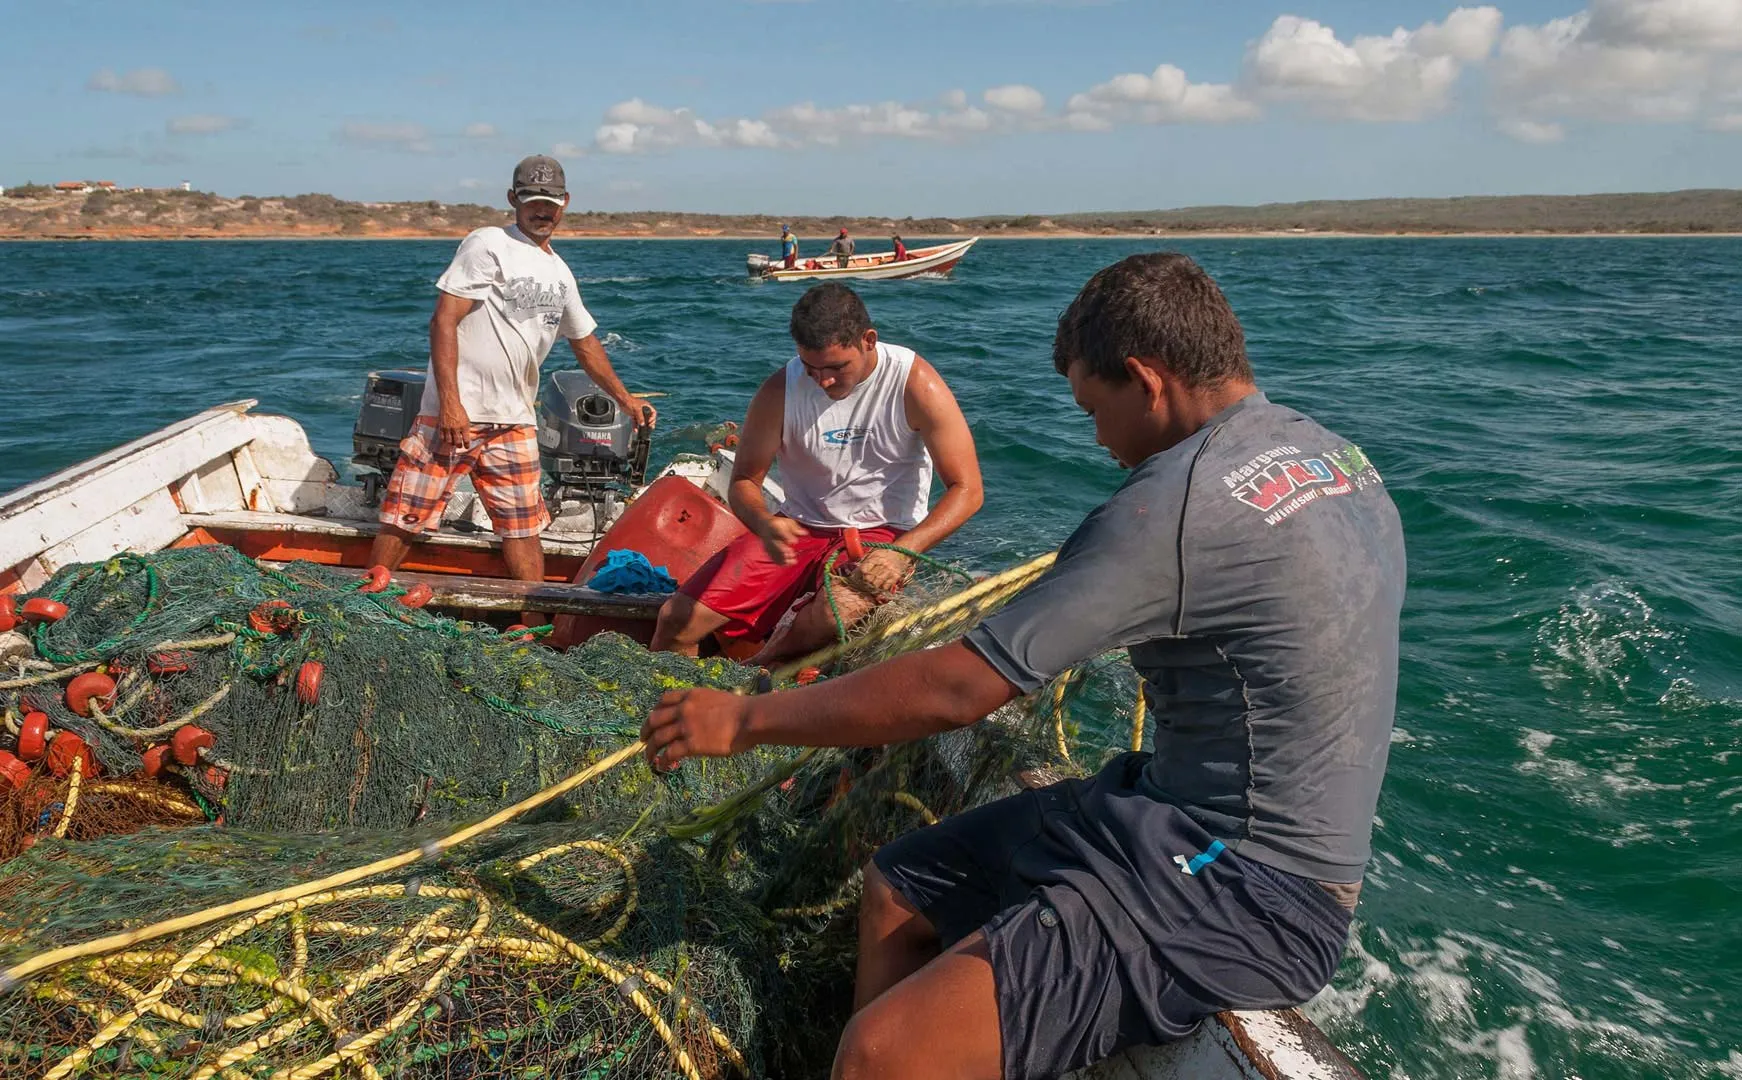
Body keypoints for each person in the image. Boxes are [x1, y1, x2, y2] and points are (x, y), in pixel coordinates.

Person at [642, 253, 1406, 1080]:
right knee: (899, 886)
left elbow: (961, 687)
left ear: (1146, 380)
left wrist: (744, 719)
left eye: (1093, 409)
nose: (1098, 438)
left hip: (1247, 888)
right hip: (1160, 810)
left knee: (877, 1054)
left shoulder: (1171, 508)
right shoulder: (1333, 457)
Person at [369, 155, 655, 624]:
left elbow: (584, 343)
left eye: (551, 202)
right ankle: (365, 605)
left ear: (564, 203)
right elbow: (444, 320)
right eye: (532, 201)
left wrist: (626, 399)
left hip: (515, 419)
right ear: (513, 200)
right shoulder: (488, 244)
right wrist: (452, 405)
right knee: (407, 516)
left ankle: (533, 627)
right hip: (454, 416)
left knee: (523, 528)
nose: (542, 210)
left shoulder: (560, 271)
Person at [650, 283, 983, 662]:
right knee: (676, 619)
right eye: (811, 368)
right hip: (798, 528)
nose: (823, 381)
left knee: (829, 614)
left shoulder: (914, 383)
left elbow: (967, 490)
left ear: (868, 340)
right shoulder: (779, 390)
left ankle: (752, 677)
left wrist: (903, 553)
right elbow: (744, 480)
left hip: (882, 532)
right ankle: (665, 710)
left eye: (836, 367)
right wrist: (762, 523)